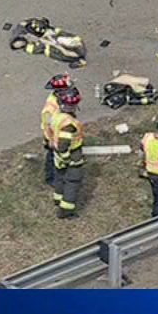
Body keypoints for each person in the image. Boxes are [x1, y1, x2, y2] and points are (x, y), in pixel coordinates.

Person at [50, 87, 86, 219]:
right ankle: (65, 210)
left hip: (58, 156)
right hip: (71, 154)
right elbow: (63, 145)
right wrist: (70, 159)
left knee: (60, 177)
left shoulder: (57, 116)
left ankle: (58, 199)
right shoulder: (69, 124)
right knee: (72, 181)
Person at [41, 74, 73, 187]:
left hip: (58, 130)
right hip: (52, 135)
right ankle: (51, 178)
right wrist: (51, 140)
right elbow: (48, 125)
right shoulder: (51, 107)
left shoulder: (61, 98)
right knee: (52, 156)